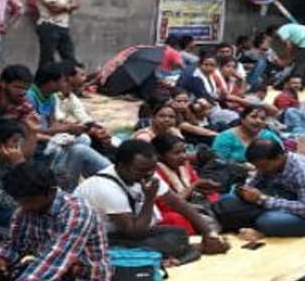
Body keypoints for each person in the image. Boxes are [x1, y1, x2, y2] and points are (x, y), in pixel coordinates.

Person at [76, 139, 227, 260]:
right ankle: (193, 250)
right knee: (169, 243)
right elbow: (134, 233)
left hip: (125, 232)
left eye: (152, 169)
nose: (148, 174)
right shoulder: (106, 188)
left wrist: (209, 234)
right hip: (91, 240)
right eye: (141, 170)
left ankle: (192, 249)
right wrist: (149, 198)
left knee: (177, 233)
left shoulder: (145, 173)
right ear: (122, 166)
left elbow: (179, 204)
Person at [236, 138, 305, 237]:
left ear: (278, 157)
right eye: (257, 167)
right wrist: (244, 191)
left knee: (266, 221)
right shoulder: (267, 165)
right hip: (292, 199)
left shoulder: (304, 170)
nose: (260, 170)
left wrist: (263, 199)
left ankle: (263, 231)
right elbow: (252, 182)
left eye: (264, 166)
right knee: (231, 201)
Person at [152, 134, 222, 233]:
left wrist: (207, 187)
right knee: (177, 219)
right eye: (177, 153)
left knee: (220, 201)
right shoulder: (155, 172)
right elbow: (169, 203)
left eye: (184, 151)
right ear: (160, 155)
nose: (183, 156)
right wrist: (195, 185)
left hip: (192, 203)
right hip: (171, 209)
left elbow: (195, 186)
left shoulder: (184, 166)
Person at [34, 0, 79, 69]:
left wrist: (63, 6)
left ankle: (69, 83)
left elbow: (76, 4)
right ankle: (40, 84)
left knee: (70, 58)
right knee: (47, 60)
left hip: (63, 26)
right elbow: (54, 8)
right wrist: (68, 7)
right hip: (48, 26)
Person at [212, 105, 281, 163]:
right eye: (253, 116)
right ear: (242, 119)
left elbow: (281, 157)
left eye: (262, 119)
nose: (258, 121)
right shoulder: (225, 138)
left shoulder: (268, 136)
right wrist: (239, 167)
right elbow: (218, 163)